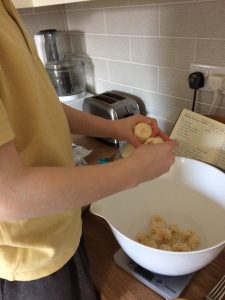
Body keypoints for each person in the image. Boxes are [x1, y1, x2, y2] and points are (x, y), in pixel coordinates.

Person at [0, 0, 178, 299]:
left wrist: (115, 128)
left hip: (59, 224)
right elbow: (9, 195)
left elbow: (38, 107)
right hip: (29, 259)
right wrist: (136, 169)